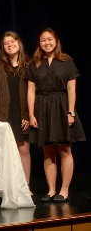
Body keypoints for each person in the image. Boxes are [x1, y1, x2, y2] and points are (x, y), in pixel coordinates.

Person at [27, 28, 85, 202]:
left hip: (61, 106)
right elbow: (31, 91)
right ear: (40, 43)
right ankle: (51, 190)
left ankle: (64, 190)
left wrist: (71, 111)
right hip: (42, 107)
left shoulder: (67, 62)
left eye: (49, 39)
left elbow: (71, 89)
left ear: (56, 41)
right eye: (43, 40)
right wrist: (31, 115)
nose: (46, 43)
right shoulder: (35, 63)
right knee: (48, 151)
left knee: (65, 149)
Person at [0, 31, 31, 192]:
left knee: (24, 149)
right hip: (4, 115)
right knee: (5, 152)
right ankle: (9, 187)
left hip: (22, 113)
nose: (10, 45)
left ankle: (25, 186)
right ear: (3, 47)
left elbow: (35, 93)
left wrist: (28, 115)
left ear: (19, 43)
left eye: (12, 41)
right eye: (6, 43)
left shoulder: (29, 64)